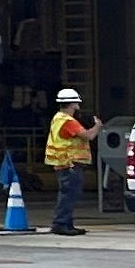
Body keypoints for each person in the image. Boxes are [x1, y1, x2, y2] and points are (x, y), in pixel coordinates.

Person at [38, 88, 92, 233]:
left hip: (62, 163)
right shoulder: (68, 121)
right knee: (68, 196)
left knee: (68, 195)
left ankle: (66, 224)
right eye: (77, 103)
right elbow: (88, 136)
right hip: (70, 164)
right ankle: (61, 224)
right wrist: (98, 127)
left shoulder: (57, 118)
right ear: (74, 104)